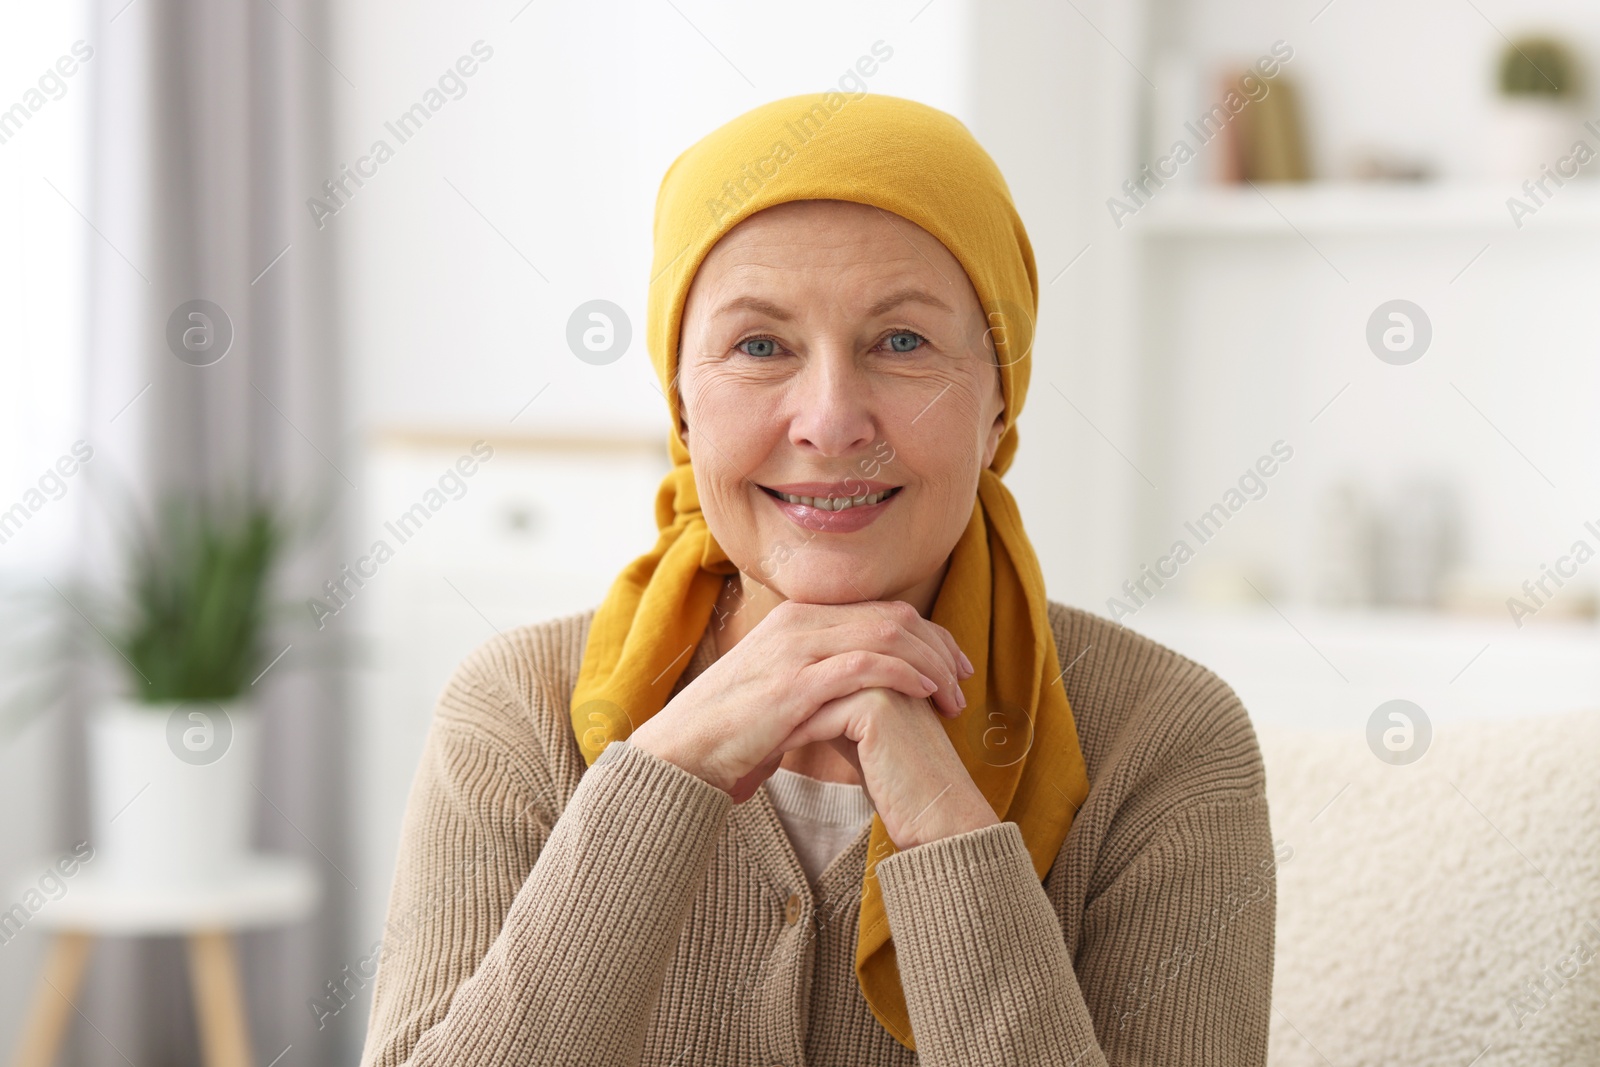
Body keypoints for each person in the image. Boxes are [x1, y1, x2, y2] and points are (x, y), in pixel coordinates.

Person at [359, 92, 1275, 1067]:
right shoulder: (516, 706)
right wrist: (669, 775)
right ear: (680, 404)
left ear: (1000, 401)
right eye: (760, 346)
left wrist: (945, 824)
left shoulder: (1164, 731)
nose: (830, 419)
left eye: (902, 341)